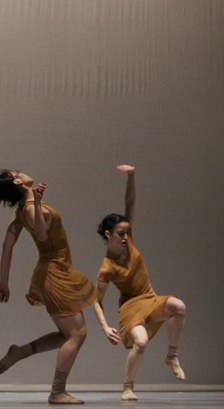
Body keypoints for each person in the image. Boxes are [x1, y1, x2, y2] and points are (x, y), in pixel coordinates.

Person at [0, 170, 98, 405]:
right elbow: (41, 234)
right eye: (17, 172)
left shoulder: (21, 209)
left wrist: (4, 282)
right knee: (77, 334)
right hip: (55, 272)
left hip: (52, 271)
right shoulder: (30, 208)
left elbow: (7, 245)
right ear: (18, 181)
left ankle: (21, 351)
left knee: (67, 334)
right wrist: (38, 205)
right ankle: (57, 392)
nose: (23, 172)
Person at [93, 165, 186, 401]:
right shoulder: (107, 267)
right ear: (108, 234)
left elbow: (130, 203)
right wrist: (105, 327)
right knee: (141, 343)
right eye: (120, 234)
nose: (125, 237)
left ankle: (171, 355)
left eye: (127, 232)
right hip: (130, 308)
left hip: (150, 298)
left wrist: (131, 176)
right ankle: (127, 387)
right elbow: (96, 300)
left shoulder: (129, 239)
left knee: (179, 307)